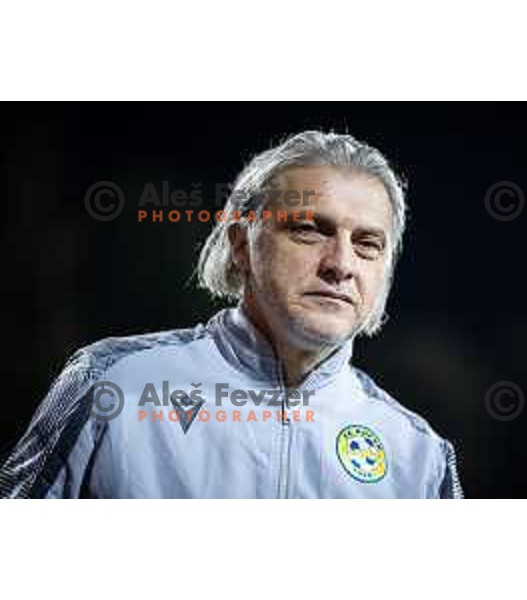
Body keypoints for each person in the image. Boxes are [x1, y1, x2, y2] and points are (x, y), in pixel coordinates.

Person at [0, 131, 463, 498]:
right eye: (307, 230)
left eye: (366, 244)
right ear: (242, 245)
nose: (341, 264)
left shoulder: (420, 457)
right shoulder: (112, 385)